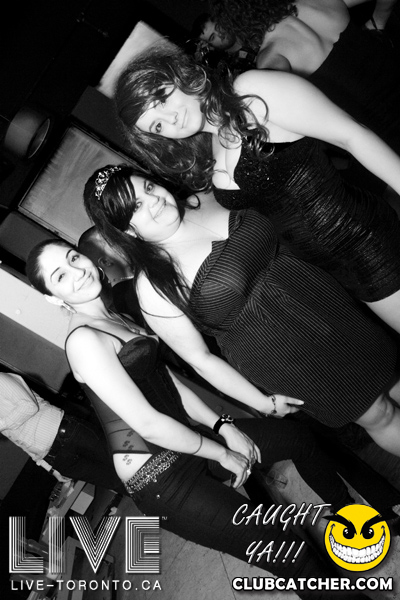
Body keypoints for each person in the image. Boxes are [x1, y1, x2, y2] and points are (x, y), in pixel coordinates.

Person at [25, 239, 374, 598]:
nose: (77, 271)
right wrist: (222, 452)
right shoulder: (83, 341)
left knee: (298, 440)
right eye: (60, 276)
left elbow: (171, 386)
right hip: (159, 477)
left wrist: (223, 427)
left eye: (73, 258)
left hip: (185, 437)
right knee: (290, 555)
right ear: (53, 298)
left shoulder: (114, 317)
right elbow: (147, 424)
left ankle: (350, 520)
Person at [83, 164, 400, 462]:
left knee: (393, 376)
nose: (154, 200)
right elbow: (201, 360)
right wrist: (263, 403)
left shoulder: (203, 198)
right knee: (378, 413)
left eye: (149, 188)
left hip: (326, 303)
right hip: (291, 356)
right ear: (127, 231)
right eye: (136, 206)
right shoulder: (153, 286)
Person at [114, 42, 400, 335]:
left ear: (177, 75)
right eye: (158, 126)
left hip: (365, 240)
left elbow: (353, 135)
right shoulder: (210, 150)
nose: (171, 119)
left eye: (161, 99)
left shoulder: (249, 92)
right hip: (335, 271)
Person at [208, 0, 400, 156]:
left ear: (237, 24)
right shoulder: (317, 2)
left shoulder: (272, 57)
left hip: (383, 132)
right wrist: (377, 22)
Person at [0, 371, 123, 491]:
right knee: (114, 483)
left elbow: (29, 406)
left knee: (124, 460)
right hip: (56, 458)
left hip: (68, 434)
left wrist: (2, 425)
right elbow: (21, 442)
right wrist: (50, 468)